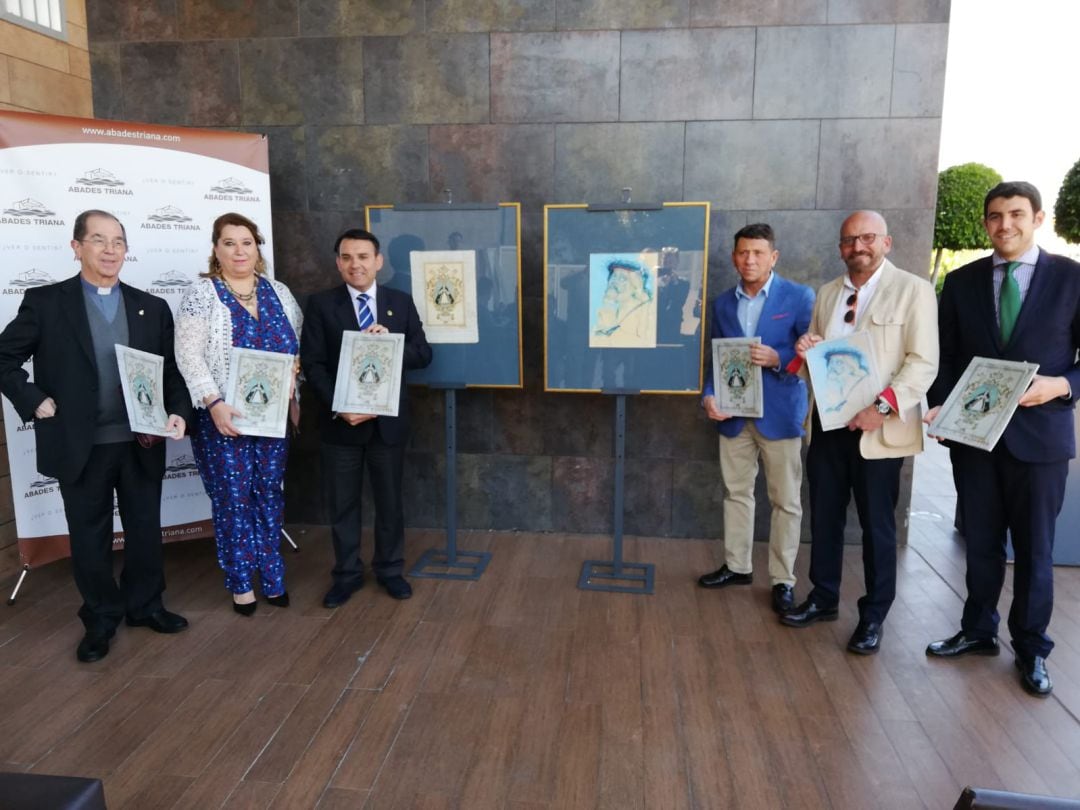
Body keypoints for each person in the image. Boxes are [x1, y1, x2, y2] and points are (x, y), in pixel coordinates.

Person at [0, 209, 191, 663]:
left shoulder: (152, 306)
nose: (110, 250)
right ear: (76, 247)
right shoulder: (46, 303)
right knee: (90, 537)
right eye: (100, 240)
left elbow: (172, 374)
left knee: (145, 531)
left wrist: (180, 413)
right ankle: (101, 619)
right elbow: (4, 359)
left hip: (140, 441)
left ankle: (146, 607)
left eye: (119, 241)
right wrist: (33, 400)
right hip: (79, 444)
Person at [924, 182, 1080, 697]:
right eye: (995, 216)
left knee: (1035, 550)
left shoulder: (1071, 279)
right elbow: (946, 355)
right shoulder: (962, 281)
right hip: (974, 438)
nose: (1004, 224)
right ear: (986, 223)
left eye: (1016, 214)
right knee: (981, 544)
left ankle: (1032, 648)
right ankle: (977, 630)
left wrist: (1060, 385)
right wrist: (940, 403)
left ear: (1037, 218)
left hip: (1040, 441)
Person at [780, 211, 938, 655]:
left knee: (877, 526)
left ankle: (873, 616)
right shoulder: (829, 293)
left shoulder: (914, 290)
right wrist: (804, 349)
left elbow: (923, 362)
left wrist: (882, 407)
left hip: (879, 430)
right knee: (825, 517)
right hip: (830, 427)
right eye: (849, 240)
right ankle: (824, 597)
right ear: (840, 248)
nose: (858, 247)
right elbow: (814, 352)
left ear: (885, 242)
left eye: (867, 238)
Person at [175, 212, 302, 616]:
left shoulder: (279, 292)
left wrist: (295, 370)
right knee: (232, 500)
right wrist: (212, 402)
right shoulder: (203, 294)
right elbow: (188, 355)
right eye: (229, 243)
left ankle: (273, 574)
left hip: (272, 420)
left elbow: (296, 346)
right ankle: (242, 583)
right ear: (216, 250)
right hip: (223, 421)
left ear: (256, 247)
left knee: (268, 494)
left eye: (246, 242)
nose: (239, 250)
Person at [301, 228, 432, 606]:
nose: (354, 264)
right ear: (338, 263)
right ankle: (346, 575)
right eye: (346, 257)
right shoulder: (321, 305)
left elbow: (424, 355)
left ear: (378, 261)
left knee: (390, 502)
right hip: (341, 424)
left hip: (387, 425)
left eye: (362, 256)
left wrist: (392, 342)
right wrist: (341, 405)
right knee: (342, 504)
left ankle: (390, 571)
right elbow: (313, 363)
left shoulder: (400, 303)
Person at [697, 223, 814, 615]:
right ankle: (737, 566)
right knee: (736, 493)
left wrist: (779, 358)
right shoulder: (721, 304)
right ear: (734, 257)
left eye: (758, 253)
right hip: (733, 416)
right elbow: (717, 359)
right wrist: (709, 396)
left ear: (773, 257)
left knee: (785, 502)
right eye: (743, 252)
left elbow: (811, 354)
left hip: (780, 416)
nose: (750, 259)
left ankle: (783, 580)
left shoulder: (799, 297)